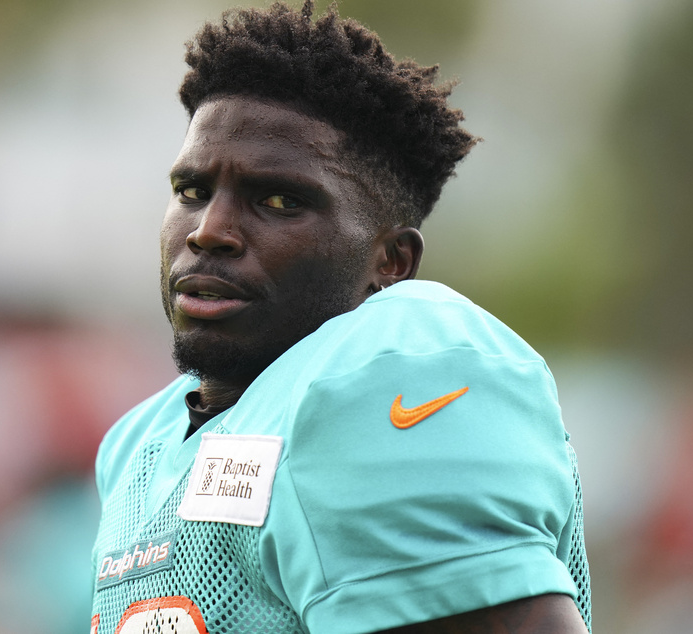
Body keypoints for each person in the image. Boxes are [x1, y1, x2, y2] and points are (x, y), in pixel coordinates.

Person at [89, 2, 592, 632]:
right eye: (192, 192)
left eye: (277, 200)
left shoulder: (393, 374)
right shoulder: (139, 442)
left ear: (391, 260)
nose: (210, 231)